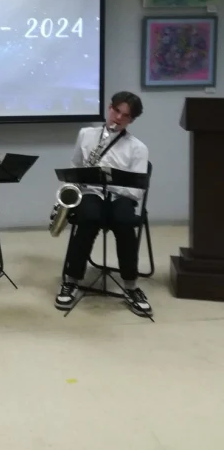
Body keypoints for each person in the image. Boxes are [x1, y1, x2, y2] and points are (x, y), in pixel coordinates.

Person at [55, 90, 151, 317]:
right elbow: (76, 166)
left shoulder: (138, 148)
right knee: (88, 218)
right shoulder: (86, 134)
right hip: (91, 193)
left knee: (125, 221)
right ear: (109, 108)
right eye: (116, 111)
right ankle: (71, 280)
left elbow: (136, 191)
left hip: (120, 197)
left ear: (131, 120)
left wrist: (110, 183)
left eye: (125, 116)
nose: (118, 118)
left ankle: (130, 286)